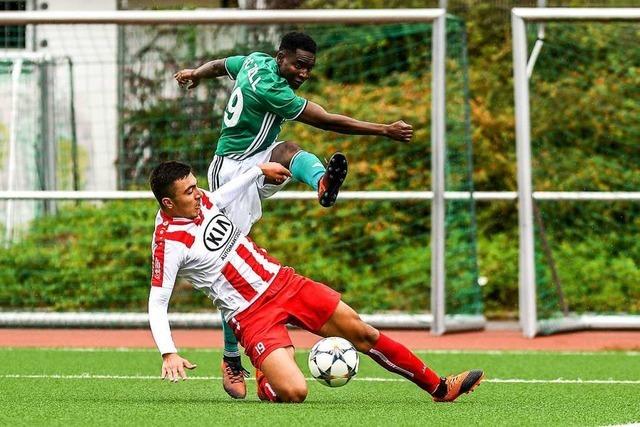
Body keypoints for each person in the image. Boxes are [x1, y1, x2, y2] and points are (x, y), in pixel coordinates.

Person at [174, 31, 414, 398]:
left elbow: (222, 65)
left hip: (256, 157)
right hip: (231, 171)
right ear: (281, 56)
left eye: (309, 68)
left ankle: (322, 184)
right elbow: (326, 120)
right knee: (232, 270)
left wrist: (195, 72)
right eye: (298, 65)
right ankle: (230, 358)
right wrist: (383, 130)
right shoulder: (273, 89)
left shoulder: (254, 60)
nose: (303, 73)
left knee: (288, 149)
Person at [148, 160, 484, 404]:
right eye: (189, 191)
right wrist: (168, 353)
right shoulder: (168, 244)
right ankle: (267, 377)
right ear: (168, 202)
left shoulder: (200, 200)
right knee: (295, 393)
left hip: (284, 282)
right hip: (250, 314)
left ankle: (440, 388)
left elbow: (219, 198)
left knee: (363, 333)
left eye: (195, 186)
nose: (197, 193)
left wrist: (256, 172)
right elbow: (158, 302)